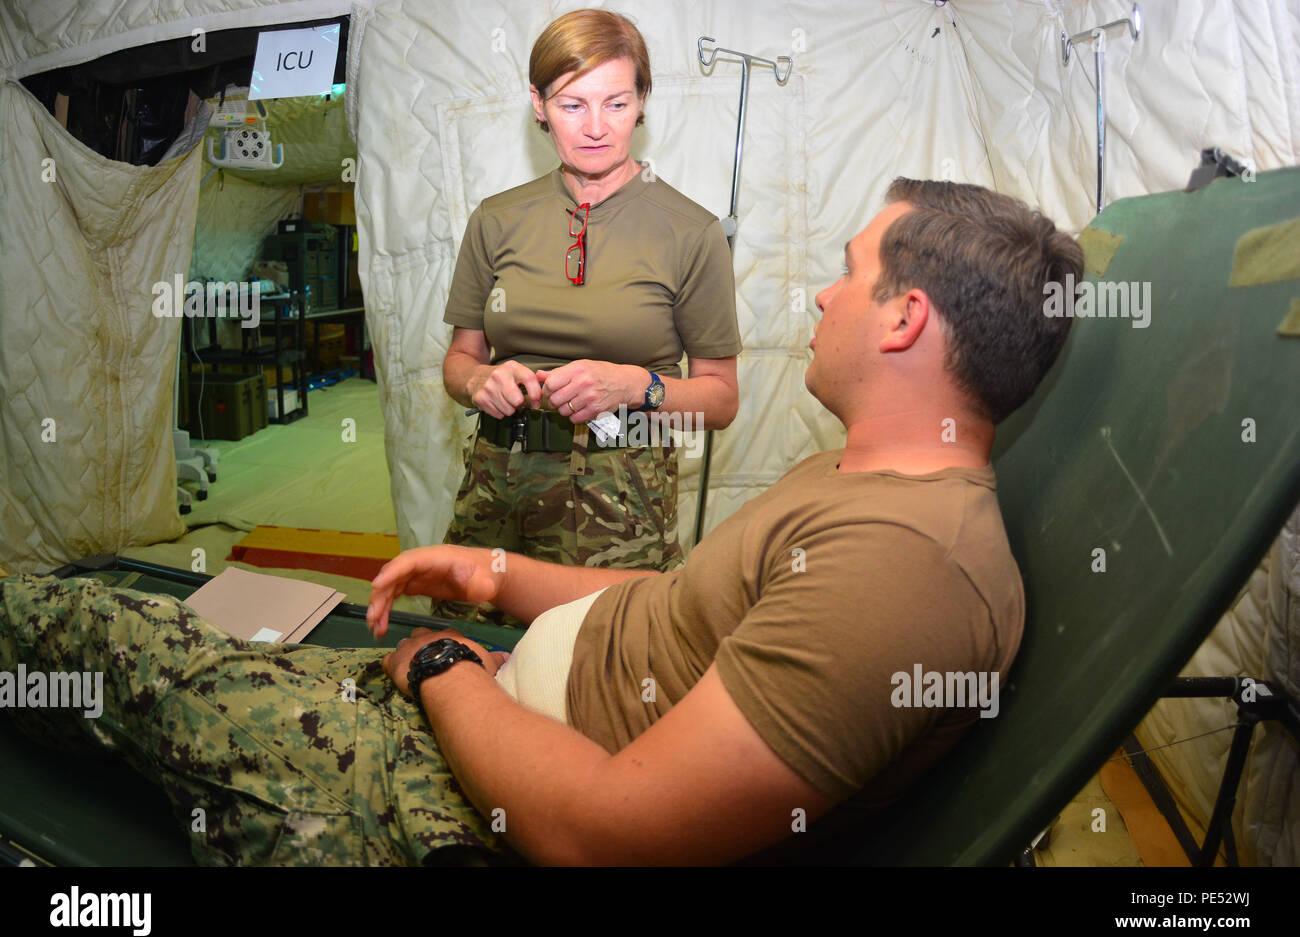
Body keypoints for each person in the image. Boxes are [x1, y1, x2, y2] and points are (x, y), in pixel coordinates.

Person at [0, 177, 1082, 865]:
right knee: (154, 636)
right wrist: (497, 574)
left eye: (847, 275)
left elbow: (601, 828)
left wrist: (442, 670)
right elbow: (668, 605)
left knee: (116, 648)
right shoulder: (856, 481)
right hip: (498, 705)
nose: (819, 298)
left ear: (904, 318)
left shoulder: (902, 574)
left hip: (469, 799)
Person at [437, 9, 741, 610]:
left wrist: (635, 386)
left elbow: (721, 399)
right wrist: (478, 381)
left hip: (621, 492)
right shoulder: (496, 219)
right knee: (465, 649)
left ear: (643, 101)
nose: (596, 127)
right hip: (498, 479)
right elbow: (459, 359)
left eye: (616, 103)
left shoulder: (691, 232)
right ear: (538, 104)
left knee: (600, 670)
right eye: (573, 104)